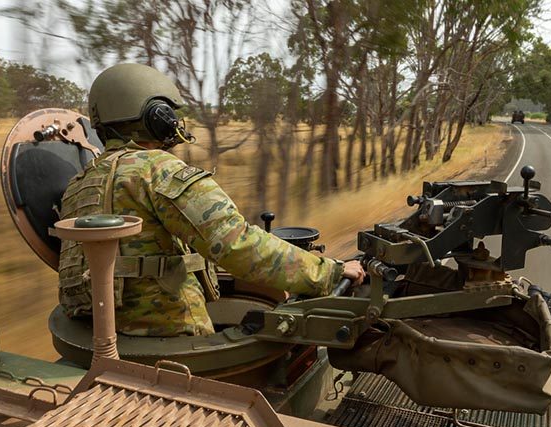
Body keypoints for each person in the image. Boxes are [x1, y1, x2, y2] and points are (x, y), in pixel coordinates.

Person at [57, 63, 365, 336]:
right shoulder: (159, 171)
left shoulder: (79, 183)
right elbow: (238, 245)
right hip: (169, 335)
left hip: (94, 335)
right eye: (169, 114)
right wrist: (330, 272)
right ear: (156, 116)